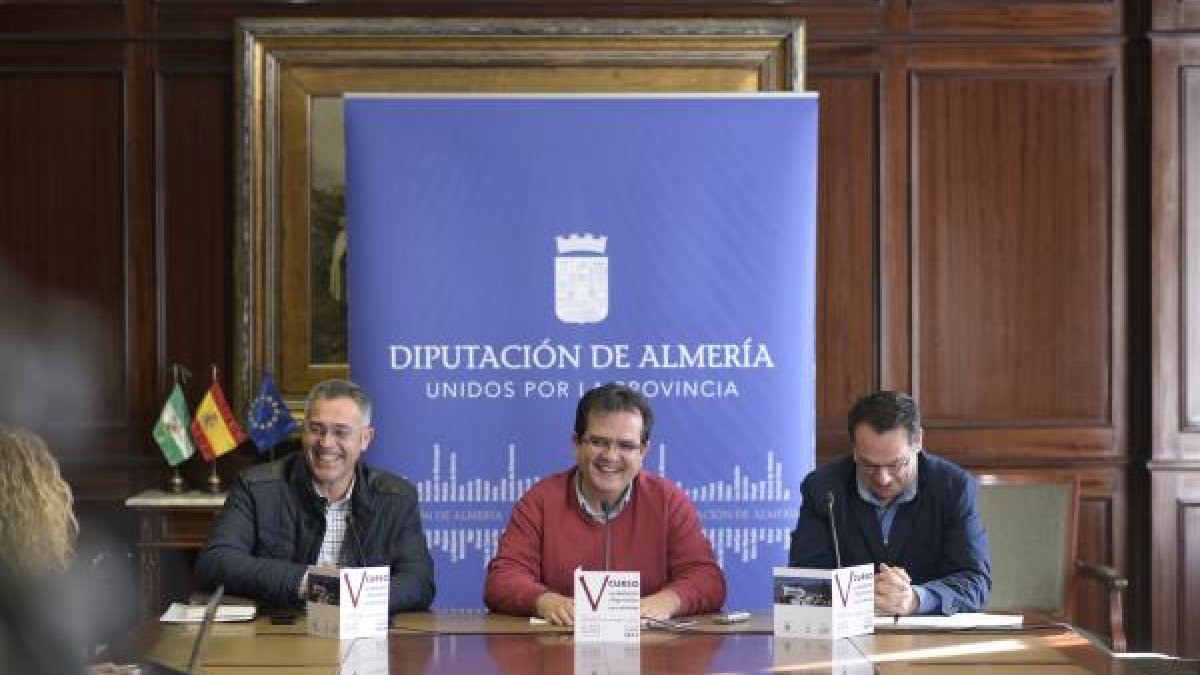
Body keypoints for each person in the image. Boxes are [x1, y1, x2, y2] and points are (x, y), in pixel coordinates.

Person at [484, 383, 725, 625]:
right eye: (598, 442)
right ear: (577, 444)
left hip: (651, 650)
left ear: (643, 452)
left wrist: (665, 602)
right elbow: (502, 579)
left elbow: (707, 579)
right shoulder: (541, 500)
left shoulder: (668, 501)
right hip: (560, 649)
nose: (610, 456)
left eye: (626, 446)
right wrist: (546, 602)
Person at [195, 378, 435, 613]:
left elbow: (419, 582)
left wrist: (358, 598)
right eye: (316, 429)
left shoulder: (395, 497)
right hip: (277, 634)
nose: (326, 443)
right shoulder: (256, 487)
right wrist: (312, 583)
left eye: (341, 432)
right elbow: (216, 562)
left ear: (365, 439)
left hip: (362, 634)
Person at [788, 391, 990, 615]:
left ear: (919, 442)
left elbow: (975, 581)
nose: (883, 478)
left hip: (928, 640)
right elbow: (802, 583)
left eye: (896, 465)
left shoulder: (952, 487)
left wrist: (915, 598)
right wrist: (865, 592)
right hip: (845, 636)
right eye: (868, 465)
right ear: (854, 448)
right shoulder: (823, 488)